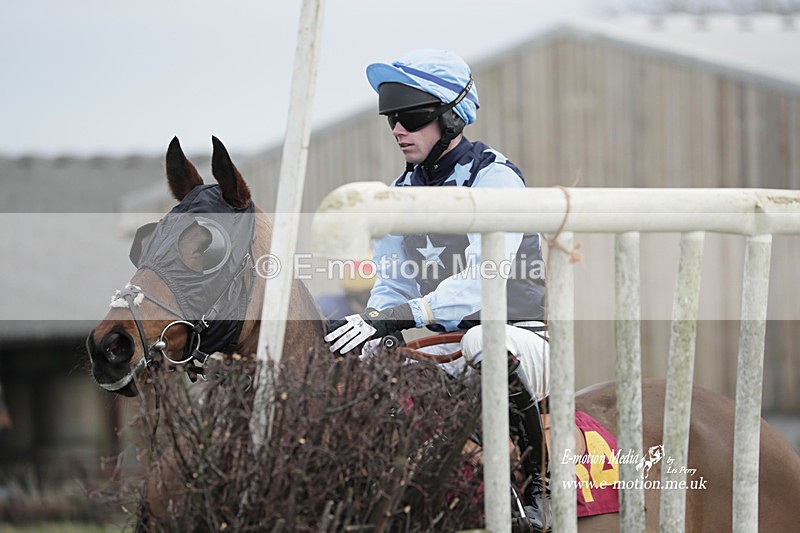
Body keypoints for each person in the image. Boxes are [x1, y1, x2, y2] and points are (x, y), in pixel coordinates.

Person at [324, 49, 550, 530]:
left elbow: (483, 282)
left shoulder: (495, 178)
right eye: (391, 119)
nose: (397, 129)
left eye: (410, 117)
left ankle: (540, 485)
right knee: (368, 358)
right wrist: (371, 327)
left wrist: (399, 317)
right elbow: (392, 285)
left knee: (481, 341)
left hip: (518, 339)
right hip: (445, 348)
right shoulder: (396, 194)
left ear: (450, 117)